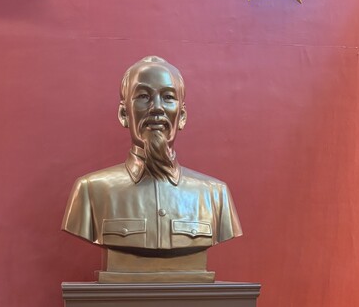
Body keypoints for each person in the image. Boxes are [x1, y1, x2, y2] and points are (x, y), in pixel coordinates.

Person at [61, 56, 242, 254]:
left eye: (168, 97)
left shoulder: (215, 196)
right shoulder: (90, 191)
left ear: (181, 117)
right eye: (143, 96)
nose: (156, 107)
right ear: (124, 114)